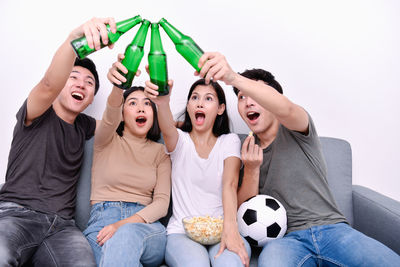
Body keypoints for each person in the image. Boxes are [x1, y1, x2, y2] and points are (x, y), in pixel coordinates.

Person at [196, 52, 400, 266]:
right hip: (285, 241)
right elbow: (242, 211)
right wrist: (251, 169)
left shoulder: (298, 127)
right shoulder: (244, 149)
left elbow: (287, 108)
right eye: (241, 97)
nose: (248, 103)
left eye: (255, 95)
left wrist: (234, 78)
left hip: (332, 229)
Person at [0, 17, 116, 266]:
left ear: (91, 97)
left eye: (89, 83)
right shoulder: (37, 112)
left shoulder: (85, 126)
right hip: (16, 214)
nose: (81, 85)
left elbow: (118, 128)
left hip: (62, 227)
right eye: (73, 77)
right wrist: (71, 43)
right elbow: (48, 84)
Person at [144, 75, 251, 267]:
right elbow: (167, 125)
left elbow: (230, 184)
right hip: (182, 233)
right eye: (194, 98)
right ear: (188, 106)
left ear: (220, 109)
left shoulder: (230, 141)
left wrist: (231, 229)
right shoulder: (179, 140)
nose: (200, 103)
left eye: (208, 98)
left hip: (222, 230)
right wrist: (163, 102)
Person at [83, 55, 171, 266]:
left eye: (147, 104)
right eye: (132, 103)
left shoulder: (161, 152)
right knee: (114, 256)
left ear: (153, 113)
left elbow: (161, 204)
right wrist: (118, 87)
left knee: (126, 235)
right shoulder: (106, 140)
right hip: (102, 221)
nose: (141, 109)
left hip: (145, 225)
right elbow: (110, 114)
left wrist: (123, 224)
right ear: (122, 114)